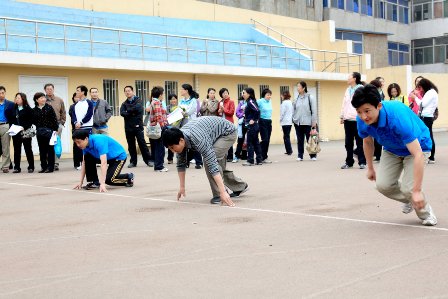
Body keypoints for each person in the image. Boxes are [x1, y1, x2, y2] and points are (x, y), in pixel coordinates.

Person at [352, 84, 437, 226]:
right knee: (383, 185)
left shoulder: (397, 117)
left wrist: (416, 191)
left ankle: (426, 212)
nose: (363, 116)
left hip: (418, 147)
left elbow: (417, 154)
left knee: (409, 188)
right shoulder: (361, 120)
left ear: (378, 106)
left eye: (367, 111)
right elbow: (367, 142)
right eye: (359, 112)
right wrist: (370, 167)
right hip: (392, 149)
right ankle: (410, 200)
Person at [162, 116, 248, 206]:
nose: (172, 151)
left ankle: (219, 194)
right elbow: (181, 164)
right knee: (218, 166)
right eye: (170, 148)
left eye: (172, 147)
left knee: (210, 162)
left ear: (181, 140)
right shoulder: (178, 137)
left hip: (227, 133)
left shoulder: (198, 139)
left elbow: (213, 166)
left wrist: (223, 192)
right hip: (213, 134)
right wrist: (182, 187)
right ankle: (240, 186)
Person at [120, 85, 153, 168]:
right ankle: (133, 162)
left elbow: (138, 109)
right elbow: (122, 113)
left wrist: (128, 111)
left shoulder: (139, 100)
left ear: (132, 91)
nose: (127, 92)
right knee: (131, 145)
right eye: (126, 91)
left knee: (142, 143)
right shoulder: (124, 103)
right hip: (128, 127)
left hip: (138, 126)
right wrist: (131, 112)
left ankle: (148, 160)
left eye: (129, 90)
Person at [340, 72, 366, 169]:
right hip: (347, 120)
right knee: (348, 142)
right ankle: (349, 162)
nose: (347, 79)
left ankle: (362, 162)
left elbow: (364, 103)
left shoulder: (361, 89)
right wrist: (342, 116)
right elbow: (344, 104)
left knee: (359, 141)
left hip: (357, 119)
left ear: (354, 78)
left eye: (349, 77)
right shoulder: (347, 90)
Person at [33, 92, 58, 173]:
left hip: (49, 131)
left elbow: (54, 120)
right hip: (40, 132)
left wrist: (55, 130)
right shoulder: (34, 110)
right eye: (41, 98)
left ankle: (50, 167)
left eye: (44, 97)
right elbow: (33, 121)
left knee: (50, 150)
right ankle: (43, 167)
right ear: (37, 100)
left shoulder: (49, 108)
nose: (43, 99)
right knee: (42, 150)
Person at [179, 83, 203, 169]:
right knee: (184, 144)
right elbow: (179, 110)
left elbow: (190, 111)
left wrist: (183, 112)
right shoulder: (181, 101)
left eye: (182, 89)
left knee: (194, 143)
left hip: (192, 125)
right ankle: (186, 161)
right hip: (183, 125)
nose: (181, 91)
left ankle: (199, 162)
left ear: (186, 90)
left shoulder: (193, 100)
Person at [292, 81, 317, 161]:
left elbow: (314, 110)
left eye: (299, 86)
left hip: (308, 122)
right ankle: (300, 155)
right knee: (300, 140)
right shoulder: (296, 99)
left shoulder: (310, 97)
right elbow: (294, 110)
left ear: (303, 88)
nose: (297, 88)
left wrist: (314, 122)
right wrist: (294, 119)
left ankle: (312, 155)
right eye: (297, 86)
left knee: (311, 139)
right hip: (298, 123)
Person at [416, 78, 438, 164]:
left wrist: (416, 97)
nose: (420, 90)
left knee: (428, 136)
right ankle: (430, 156)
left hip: (427, 117)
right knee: (427, 135)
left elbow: (422, 104)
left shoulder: (430, 92)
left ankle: (431, 156)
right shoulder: (431, 92)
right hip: (426, 116)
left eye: (420, 87)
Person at [45, 83, 66, 171]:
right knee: (46, 144)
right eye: (48, 89)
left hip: (57, 125)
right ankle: (48, 162)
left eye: (51, 89)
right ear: (45, 90)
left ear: (53, 89)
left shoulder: (59, 100)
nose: (49, 90)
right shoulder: (42, 100)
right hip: (46, 126)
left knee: (56, 144)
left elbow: (63, 112)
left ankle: (56, 163)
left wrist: (62, 122)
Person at [147, 86, 168, 172]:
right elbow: (159, 116)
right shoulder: (157, 102)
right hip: (159, 128)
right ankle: (159, 166)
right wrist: (164, 126)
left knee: (157, 147)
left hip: (155, 127)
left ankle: (158, 165)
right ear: (160, 94)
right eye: (162, 94)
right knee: (160, 148)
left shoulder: (153, 101)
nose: (163, 96)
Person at [11, 93, 34, 173]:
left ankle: (31, 166)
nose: (17, 99)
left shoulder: (28, 109)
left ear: (23, 99)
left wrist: (24, 126)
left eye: (19, 98)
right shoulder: (13, 108)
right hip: (16, 132)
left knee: (28, 149)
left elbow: (31, 120)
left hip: (25, 132)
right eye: (16, 98)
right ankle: (17, 167)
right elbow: (11, 119)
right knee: (17, 150)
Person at [242, 87, 263, 166]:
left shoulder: (250, 102)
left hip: (252, 126)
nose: (243, 94)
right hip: (253, 125)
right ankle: (259, 160)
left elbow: (257, 110)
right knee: (256, 142)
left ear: (249, 94)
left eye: (244, 93)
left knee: (250, 143)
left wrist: (254, 119)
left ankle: (250, 160)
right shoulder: (249, 102)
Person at [218, 88, 235, 162]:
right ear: (221, 95)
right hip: (222, 123)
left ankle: (230, 156)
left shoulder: (231, 102)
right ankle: (223, 155)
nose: (225, 94)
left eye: (226, 93)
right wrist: (219, 111)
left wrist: (224, 109)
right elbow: (219, 114)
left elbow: (231, 112)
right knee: (222, 139)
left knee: (229, 138)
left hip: (229, 122)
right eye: (223, 93)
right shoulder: (220, 102)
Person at [0, 86, 15, 173]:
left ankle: (5, 166)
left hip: (5, 125)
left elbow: (13, 116)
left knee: (5, 147)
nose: (1, 95)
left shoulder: (10, 104)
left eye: (2, 93)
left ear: (5, 93)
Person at [370, 79, 384, 162]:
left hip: (378, 116)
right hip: (377, 116)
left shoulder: (378, 93)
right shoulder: (379, 92)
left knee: (377, 136)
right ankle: (377, 155)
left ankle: (378, 155)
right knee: (376, 137)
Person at [257, 88, 273, 164]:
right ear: (264, 95)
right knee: (265, 139)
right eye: (268, 95)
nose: (269, 96)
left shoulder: (270, 102)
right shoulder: (260, 101)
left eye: (270, 95)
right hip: (262, 121)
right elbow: (252, 106)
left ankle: (264, 156)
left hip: (269, 121)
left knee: (267, 140)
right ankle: (260, 154)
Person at [69, 92, 83, 170]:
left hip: (83, 128)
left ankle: (83, 162)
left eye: (78, 97)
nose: (77, 98)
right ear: (73, 98)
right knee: (76, 146)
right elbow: (72, 116)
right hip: (75, 128)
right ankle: (77, 163)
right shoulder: (72, 107)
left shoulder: (84, 105)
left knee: (84, 145)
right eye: (76, 97)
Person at [166, 93, 180, 164]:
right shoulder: (167, 107)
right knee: (170, 143)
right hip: (170, 128)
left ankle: (179, 157)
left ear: (177, 99)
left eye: (174, 99)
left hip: (178, 128)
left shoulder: (179, 107)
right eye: (171, 99)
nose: (173, 100)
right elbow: (167, 116)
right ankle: (170, 158)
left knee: (178, 143)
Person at [233, 96, 247, 163]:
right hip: (242, 123)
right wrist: (243, 114)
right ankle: (237, 155)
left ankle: (245, 155)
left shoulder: (251, 102)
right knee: (240, 140)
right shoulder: (241, 103)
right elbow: (237, 113)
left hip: (249, 123)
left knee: (248, 140)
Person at [280, 90, 293, 155]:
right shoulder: (290, 102)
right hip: (290, 122)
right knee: (287, 136)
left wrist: (280, 120)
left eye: (281, 95)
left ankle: (289, 151)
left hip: (285, 122)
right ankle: (289, 150)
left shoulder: (284, 103)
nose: (281, 96)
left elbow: (282, 113)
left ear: (284, 96)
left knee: (286, 137)